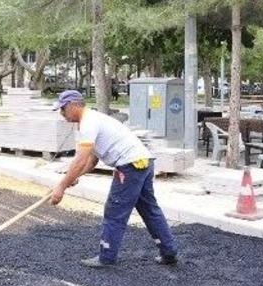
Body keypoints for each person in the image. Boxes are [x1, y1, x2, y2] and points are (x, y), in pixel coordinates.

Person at [51, 90, 178, 268]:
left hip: (130, 166)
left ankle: (107, 257)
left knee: (114, 210)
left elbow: (80, 159)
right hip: (143, 162)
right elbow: (92, 160)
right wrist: (75, 177)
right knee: (149, 209)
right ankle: (169, 252)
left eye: (63, 109)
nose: (62, 114)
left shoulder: (89, 122)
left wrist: (61, 186)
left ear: (73, 105)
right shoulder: (92, 120)